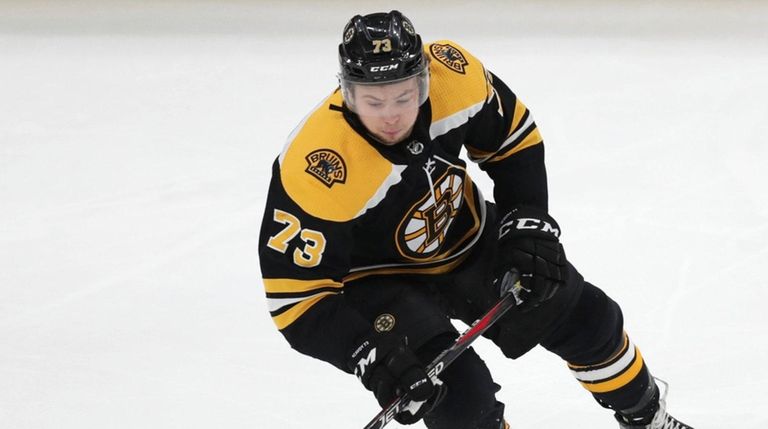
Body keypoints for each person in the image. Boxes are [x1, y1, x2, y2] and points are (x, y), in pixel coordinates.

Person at [258, 10, 693, 429]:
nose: (390, 116)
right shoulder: (316, 167)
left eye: (404, 96)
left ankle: (648, 419)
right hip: (377, 281)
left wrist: (526, 222)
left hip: (464, 236)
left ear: (426, 77)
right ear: (347, 92)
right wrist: (370, 356)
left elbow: (514, 141)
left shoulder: (456, 77)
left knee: (588, 320)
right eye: (373, 101)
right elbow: (297, 301)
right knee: (462, 405)